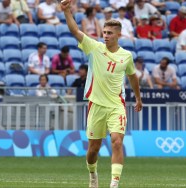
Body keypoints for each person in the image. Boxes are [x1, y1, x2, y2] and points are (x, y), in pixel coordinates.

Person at [61, 1, 142, 188]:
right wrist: (66, 11)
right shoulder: (95, 48)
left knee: (116, 142)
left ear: (118, 35)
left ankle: (114, 184)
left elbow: (132, 77)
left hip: (116, 105)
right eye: (104, 32)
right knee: (93, 150)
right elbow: (75, 31)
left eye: (109, 33)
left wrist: (138, 98)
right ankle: (92, 175)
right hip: (96, 105)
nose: (105, 36)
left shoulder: (126, 56)